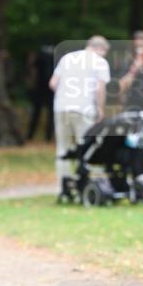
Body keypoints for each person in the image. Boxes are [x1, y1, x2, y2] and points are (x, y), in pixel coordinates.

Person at [49, 36, 110, 181]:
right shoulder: (100, 62)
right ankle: (86, 181)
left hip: (61, 108)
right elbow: (99, 89)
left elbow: (52, 83)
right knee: (87, 147)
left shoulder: (67, 58)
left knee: (63, 148)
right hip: (84, 108)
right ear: (101, 49)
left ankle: (63, 185)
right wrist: (101, 110)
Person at [117, 31, 143, 177]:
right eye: (137, 44)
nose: (140, 46)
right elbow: (120, 88)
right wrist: (134, 69)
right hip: (132, 111)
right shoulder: (127, 64)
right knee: (132, 145)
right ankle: (133, 176)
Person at [26, 45, 54, 142]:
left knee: (36, 113)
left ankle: (30, 135)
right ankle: (48, 136)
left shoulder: (39, 57)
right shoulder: (54, 58)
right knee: (50, 115)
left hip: (40, 88)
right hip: (50, 89)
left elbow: (33, 72)